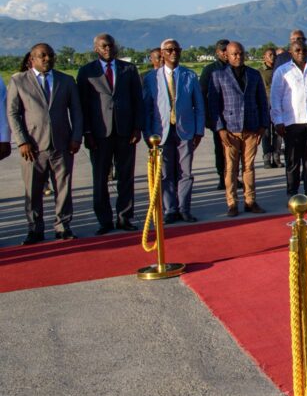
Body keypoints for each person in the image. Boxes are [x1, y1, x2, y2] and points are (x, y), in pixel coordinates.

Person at [7, 43, 83, 243]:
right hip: (32, 147)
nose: (47, 59)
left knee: (63, 188)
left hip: (62, 144)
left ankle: (63, 227)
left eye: (50, 55)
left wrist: (76, 137)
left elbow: (76, 110)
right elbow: (13, 113)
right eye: (42, 56)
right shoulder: (19, 81)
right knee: (33, 191)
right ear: (32, 59)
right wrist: (22, 141)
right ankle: (35, 229)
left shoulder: (66, 80)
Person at [76, 33, 143, 235]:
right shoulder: (87, 71)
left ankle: (125, 217)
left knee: (126, 177)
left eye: (111, 46)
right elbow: (83, 105)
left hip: (125, 132)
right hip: (99, 133)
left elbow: (137, 100)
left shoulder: (128, 69)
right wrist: (86, 132)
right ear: (96, 48)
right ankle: (104, 221)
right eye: (104, 46)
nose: (108, 49)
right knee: (100, 179)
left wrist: (137, 127)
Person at [143, 39, 204, 224]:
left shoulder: (190, 76)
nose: (173, 53)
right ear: (162, 53)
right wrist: (147, 134)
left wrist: (199, 131)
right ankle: (170, 209)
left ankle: (184, 208)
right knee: (166, 173)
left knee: (185, 172)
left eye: (177, 49)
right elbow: (147, 109)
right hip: (161, 132)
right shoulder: (151, 78)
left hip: (185, 130)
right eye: (169, 50)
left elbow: (199, 106)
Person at [207, 42, 270, 217]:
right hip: (230, 128)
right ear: (226, 55)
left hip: (251, 128)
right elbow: (214, 105)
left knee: (249, 167)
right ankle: (232, 202)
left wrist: (263, 125)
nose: (238, 57)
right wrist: (220, 129)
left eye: (241, 53)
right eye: (234, 54)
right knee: (231, 168)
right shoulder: (218, 75)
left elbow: (262, 102)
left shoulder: (254, 74)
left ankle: (250, 201)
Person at [271, 39, 307, 205]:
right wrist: (278, 121)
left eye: (304, 51)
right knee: (293, 161)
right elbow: (275, 98)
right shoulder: (283, 72)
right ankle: (293, 194)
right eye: (297, 51)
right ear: (291, 52)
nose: (301, 54)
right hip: (291, 122)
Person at [200, 39, 230, 189]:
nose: (226, 53)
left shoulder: (236, 67)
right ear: (217, 52)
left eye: (227, 49)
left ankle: (232, 176)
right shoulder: (210, 70)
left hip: (236, 118)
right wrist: (207, 117)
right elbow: (202, 94)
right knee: (220, 148)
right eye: (223, 50)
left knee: (234, 150)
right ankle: (222, 175)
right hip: (218, 117)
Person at [259, 48, 283, 168]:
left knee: (278, 132)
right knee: (266, 133)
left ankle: (277, 157)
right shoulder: (260, 72)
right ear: (264, 57)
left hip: (278, 104)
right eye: (269, 55)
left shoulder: (279, 70)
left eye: (274, 54)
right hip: (265, 104)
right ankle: (267, 158)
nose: (272, 57)